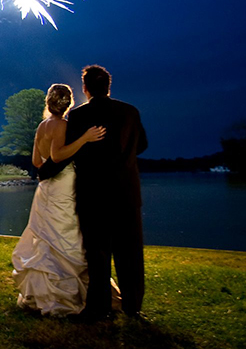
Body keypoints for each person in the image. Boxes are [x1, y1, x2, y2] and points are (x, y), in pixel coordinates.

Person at [12, 84, 106, 316]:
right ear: (69, 103)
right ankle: (64, 297)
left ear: (49, 102)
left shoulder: (42, 126)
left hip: (45, 189)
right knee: (65, 234)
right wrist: (84, 138)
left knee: (46, 239)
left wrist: (48, 170)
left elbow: (37, 161)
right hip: (63, 185)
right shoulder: (63, 125)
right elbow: (57, 155)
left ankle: (42, 294)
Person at [65, 65, 148, 320]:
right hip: (126, 192)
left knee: (98, 252)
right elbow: (142, 145)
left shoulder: (78, 116)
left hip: (94, 193)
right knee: (130, 251)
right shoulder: (130, 112)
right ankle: (132, 304)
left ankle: (99, 306)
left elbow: (72, 149)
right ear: (108, 87)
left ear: (85, 88)